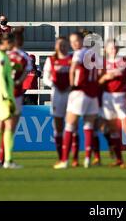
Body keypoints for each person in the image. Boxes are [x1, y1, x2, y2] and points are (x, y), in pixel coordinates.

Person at [54, 32, 102, 169]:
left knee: (69, 126)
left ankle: (64, 160)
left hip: (80, 92)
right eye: (72, 41)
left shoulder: (79, 53)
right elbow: (99, 73)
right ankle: (87, 159)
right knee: (88, 126)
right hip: (92, 94)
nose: (74, 44)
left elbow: (73, 69)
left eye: (76, 40)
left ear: (82, 40)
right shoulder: (95, 54)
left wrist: (72, 86)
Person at [42, 37, 77, 165]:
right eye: (59, 45)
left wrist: (72, 85)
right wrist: (54, 84)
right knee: (58, 127)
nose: (62, 47)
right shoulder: (51, 60)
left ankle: (74, 158)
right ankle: (61, 157)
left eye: (64, 45)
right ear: (56, 46)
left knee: (72, 126)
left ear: (68, 46)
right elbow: (45, 77)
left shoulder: (72, 59)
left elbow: (78, 75)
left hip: (70, 95)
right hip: (57, 95)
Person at [0, 33, 21, 169]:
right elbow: (1, 77)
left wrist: (13, 68)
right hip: (2, 95)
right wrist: (7, 96)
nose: (12, 44)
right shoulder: (0, 56)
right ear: (4, 42)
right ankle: (8, 160)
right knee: (8, 126)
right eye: (10, 41)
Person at [98, 40, 126, 167]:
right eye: (111, 48)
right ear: (106, 49)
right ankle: (118, 158)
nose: (114, 50)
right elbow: (98, 82)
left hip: (121, 96)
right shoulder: (103, 64)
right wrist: (104, 78)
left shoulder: (124, 62)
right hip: (107, 97)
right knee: (111, 129)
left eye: (115, 47)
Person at [7, 27, 33, 120]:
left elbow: (26, 71)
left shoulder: (23, 56)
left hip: (12, 92)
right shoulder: (23, 56)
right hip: (8, 92)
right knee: (8, 124)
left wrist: (18, 81)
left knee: (4, 125)